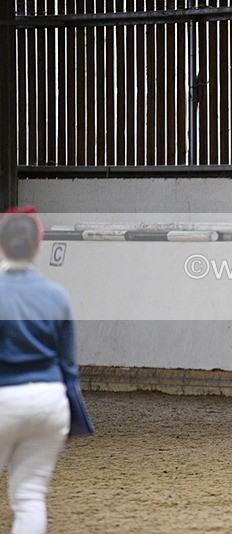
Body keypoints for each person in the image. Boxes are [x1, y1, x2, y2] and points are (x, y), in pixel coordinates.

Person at [0, 208, 77, 534]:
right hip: (49, 401)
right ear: (38, 248)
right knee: (30, 497)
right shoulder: (57, 295)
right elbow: (68, 363)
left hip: (5, 397)